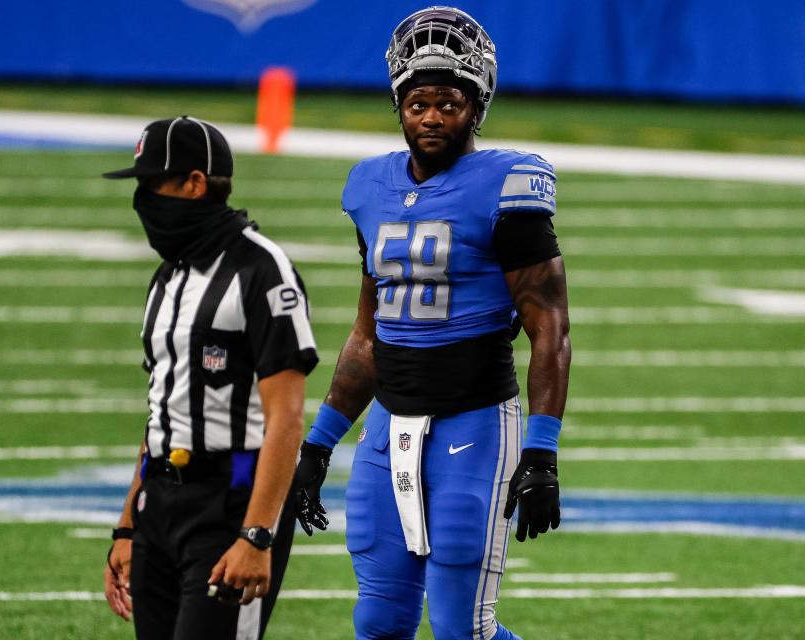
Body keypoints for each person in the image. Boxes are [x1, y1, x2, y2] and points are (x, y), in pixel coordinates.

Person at [293, 7, 571, 640]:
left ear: (477, 106)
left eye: (449, 103)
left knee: (461, 629)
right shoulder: (369, 186)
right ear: (399, 106)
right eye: (418, 103)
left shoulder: (508, 183)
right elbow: (368, 332)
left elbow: (549, 325)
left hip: (473, 420)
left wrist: (543, 453)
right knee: (379, 621)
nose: (432, 118)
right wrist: (319, 441)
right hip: (390, 424)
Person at [102, 116, 318, 640]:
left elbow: (286, 419)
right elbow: (161, 410)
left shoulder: (262, 269)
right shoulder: (167, 276)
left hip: (233, 495)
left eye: (152, 185)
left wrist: (258, 534)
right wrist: (129, 523)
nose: (143, 200)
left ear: (195, 184)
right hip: (160, 500)